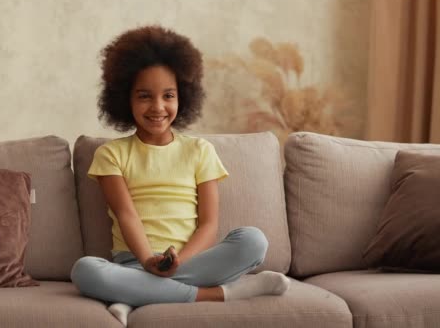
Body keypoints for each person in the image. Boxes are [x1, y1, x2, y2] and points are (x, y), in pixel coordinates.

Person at [70, 26, 290, 325]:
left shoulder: (200, 151)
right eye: (144, 96)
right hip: (133, 263)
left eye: (168, 96)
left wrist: (178, 262)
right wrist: (149, 260)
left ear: (183, 97)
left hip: (192, 261)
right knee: (85, 270)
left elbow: (209, 224)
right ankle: (219, 294)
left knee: (253, 240)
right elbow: (127, 216)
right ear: (125, 100)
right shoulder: (111, 155)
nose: (157, 107)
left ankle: (131, 296)